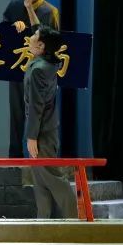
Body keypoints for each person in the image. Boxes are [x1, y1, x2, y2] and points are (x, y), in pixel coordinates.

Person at [2, 0, 60, 158]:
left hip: (39, 72)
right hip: (17, 68)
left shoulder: (50, 11)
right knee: (16, 114)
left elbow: (52, 40)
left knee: (38, 112)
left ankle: (40, 159)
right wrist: (12, 27)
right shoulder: (14, 6)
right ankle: (14, 159)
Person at [24, 25, 77, 218]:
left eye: (35, 35)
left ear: (41, 45)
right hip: (44, 129)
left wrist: (31, 136)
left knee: (52, 177)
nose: (31, 36)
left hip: (42, 132)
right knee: (40, 181)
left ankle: (75, 218)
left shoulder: (39, 69)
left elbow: (36, 106)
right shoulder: (45, 64)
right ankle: (43, 221)